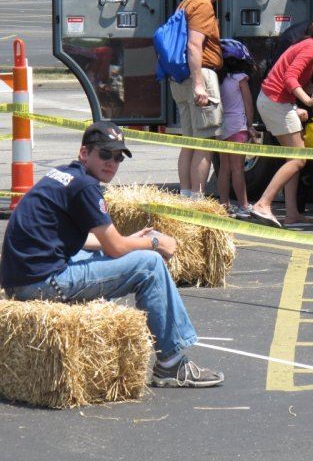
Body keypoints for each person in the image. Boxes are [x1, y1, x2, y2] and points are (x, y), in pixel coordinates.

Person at [0, 122, 224, 388]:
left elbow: (83, 239)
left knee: (115, 255)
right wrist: (154, 241)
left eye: (118, 157)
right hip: (42, 283)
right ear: (85, 153)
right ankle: (171, 364)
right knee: (150, 264)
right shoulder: (85, 187)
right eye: (105, 155)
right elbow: (114, 249)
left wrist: (128, 241)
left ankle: (171, 360)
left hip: (21, 279)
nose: (112, 163)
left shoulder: (63, 175)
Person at [251, 10, 313, 228]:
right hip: (275, 102)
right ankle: (263, 204)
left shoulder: (309, 45)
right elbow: (289, 78)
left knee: (293, 159)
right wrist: (307, 101)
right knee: (298, 159)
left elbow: (301, 81)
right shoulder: (311, 48)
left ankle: (292, 213)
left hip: (275, 101)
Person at [170, 0, 227, 199]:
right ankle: (197, 198)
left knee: (189, 140)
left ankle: (186, 195)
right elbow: (194, 45)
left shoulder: (186, 2)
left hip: (180, 76)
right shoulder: (203, 4)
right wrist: (199, 84)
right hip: (199, 74)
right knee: (204, 141)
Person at [217, 38, 258, 219]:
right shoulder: (240, 79)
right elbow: (248, 104)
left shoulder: (218, 80)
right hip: (237, 127)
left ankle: (224, 204)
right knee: (238, 169)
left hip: (221, 127)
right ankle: (243, 204)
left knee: (224, 169)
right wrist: (250, 125)